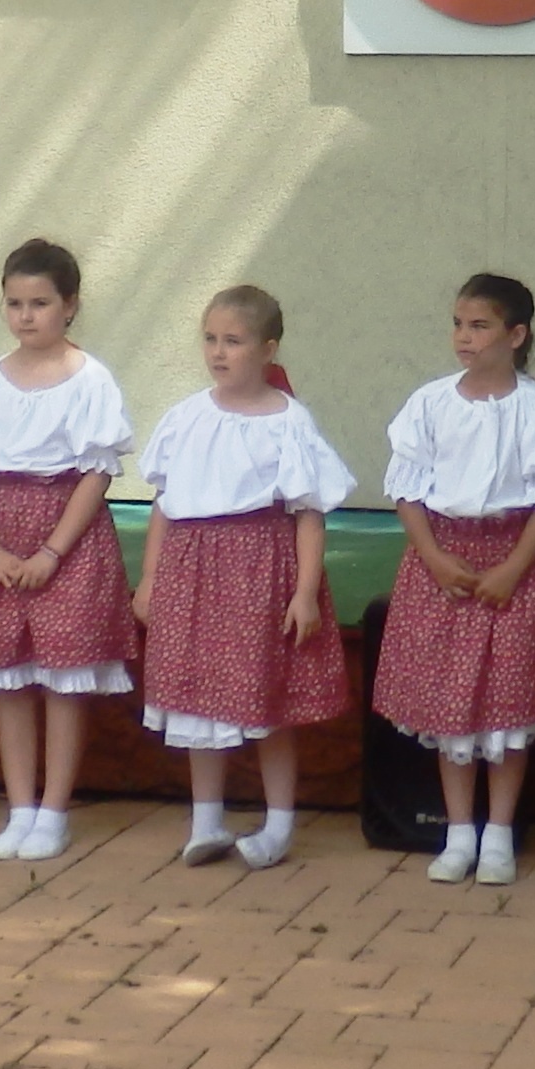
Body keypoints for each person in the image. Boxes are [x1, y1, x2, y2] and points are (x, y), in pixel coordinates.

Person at [376, 273, 535, 886]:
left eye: (480, 326)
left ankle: (499, 834)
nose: (464, 337)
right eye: (458, 324)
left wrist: (514, 567)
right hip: (445, 562)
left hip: (513, 561)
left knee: (507, 703)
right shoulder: (430, 404)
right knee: (450, 706)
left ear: (515, 335)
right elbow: (408, 490)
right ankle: (458, 833)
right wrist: (434, 558)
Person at [136, 285, 356, 870]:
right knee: (198, 701)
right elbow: (164, 503)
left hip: (261, 573)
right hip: (192, 572)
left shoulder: (289, 422)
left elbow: (309, 513)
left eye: (232, 341)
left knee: (268, 701)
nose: (218, 351)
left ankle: (278, 823)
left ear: (267, 348)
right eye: (210, 339)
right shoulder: (187, 417)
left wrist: (305, 592)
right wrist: (150, 578)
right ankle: (206, 820)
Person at [0, 237, 132, 865]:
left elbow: (96, 473)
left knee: (63, 679)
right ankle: (20, 807)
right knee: (12, 680)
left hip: (66, 537)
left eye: (40, 303)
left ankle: (54, 811)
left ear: (69, 305)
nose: (26, 316)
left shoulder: (90, 380)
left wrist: (52, 551)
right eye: (15, 303)